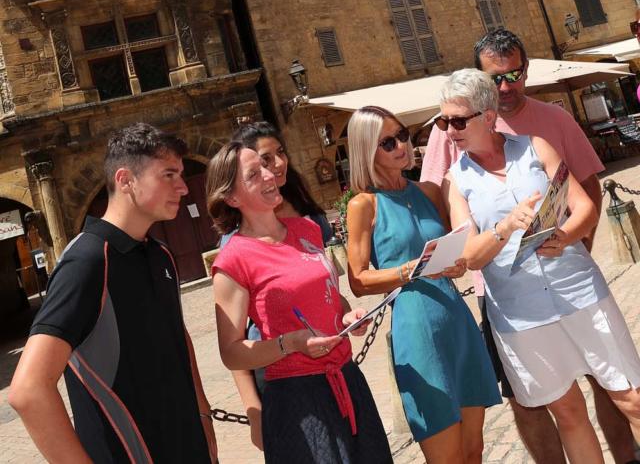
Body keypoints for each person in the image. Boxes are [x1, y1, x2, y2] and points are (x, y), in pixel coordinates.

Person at [420, 27, 637, 464]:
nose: (448, 130)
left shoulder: (538, 143)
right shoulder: (457, 179)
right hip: (519, 312)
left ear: (485, 117)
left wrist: (566, 237)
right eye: (444, 122)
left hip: (578, 290)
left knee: (630, 396)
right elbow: (466, 255)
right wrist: (503, 228)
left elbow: (585, 205)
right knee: (567, 413)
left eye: (456, 121)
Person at [8, 123, 217, 464]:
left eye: (181, 174)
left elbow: (178, 337)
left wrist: (204, 417)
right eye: (168, 175)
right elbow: (27, 390)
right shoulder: (86, 261)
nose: (182, 187)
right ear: (125, 180)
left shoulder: (159, 253)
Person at [208, 140, 392, 464]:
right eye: (254, 174)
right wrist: (290, 343)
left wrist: (348, 318)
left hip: (347, 380)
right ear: (232, 197)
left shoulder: (306, 228)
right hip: (297, 401)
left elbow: (331, 300)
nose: (268, 175)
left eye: (266, 166)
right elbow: (231, 353)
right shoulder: (233, 259)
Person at [346, 106, 501, 464]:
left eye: (403, 135)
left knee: (474, 451)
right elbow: (358, 280)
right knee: (446, 457)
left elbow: (457, 249)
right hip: (417, 331)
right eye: (388, 142)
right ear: (366, 150)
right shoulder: (363, 205)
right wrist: (410, 270)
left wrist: (457, 262)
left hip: (457, 323)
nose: (402, 145)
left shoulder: (430, 192)